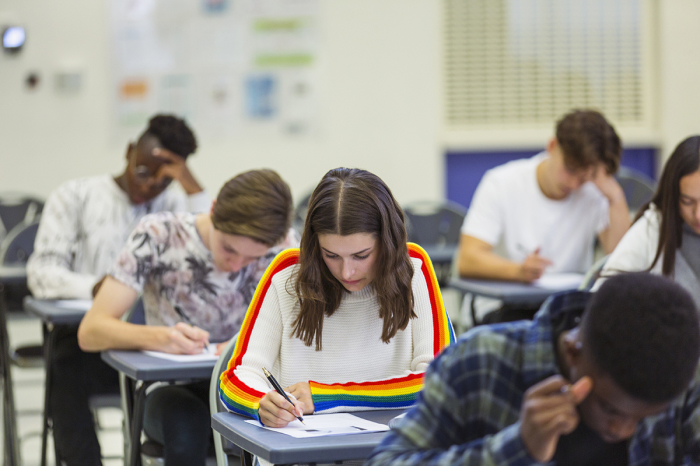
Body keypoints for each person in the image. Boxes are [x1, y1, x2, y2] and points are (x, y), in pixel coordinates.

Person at [77, 169, 298, 466]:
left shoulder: (282, 246)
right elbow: (91, 330)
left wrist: (243, 345)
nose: (235, 265)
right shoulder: (159, 234)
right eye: (229, 248)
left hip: (247, 388)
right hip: (171, 390)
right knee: (186, 423)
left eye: (252, 258)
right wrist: (161, 338)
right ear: (213, 207)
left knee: (282, 425)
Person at [25, 114, 209, 465]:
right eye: (144, 171)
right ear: (128, 152)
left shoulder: (171, 203)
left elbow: (213, 242)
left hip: (155, 339)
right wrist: (101, 288)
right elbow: (42, 273)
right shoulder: (76, 196)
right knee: (63, 375)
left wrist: (187, 181)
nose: (150, 185)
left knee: (186, 399)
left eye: (163, 179)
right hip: (86, 339)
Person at [366, 272, 700, 465]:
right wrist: (518, 446)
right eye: (610, 408)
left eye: (644, 416)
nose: (624, 429)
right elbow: (387, 461)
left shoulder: (678, 376)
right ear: (572, 350)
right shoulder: (481, 361)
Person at [219, 168, 455, 434]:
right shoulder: (285, 274)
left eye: (361, 255)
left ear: (388, 241)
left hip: (394, 451)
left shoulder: (415, 269)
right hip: (303, 455)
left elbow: (440, 381)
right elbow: (236, 378)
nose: (346, 272)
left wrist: (327, 397)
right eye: (331, 255)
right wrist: (260, 403)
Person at [456, 109, 630, 322]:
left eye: (586, 177)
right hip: (504, 308)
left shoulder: (592, 192)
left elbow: (623, 263)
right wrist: (518, 271)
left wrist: (615, 197)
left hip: (566, 309)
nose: (575, 184)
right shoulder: (501, 183)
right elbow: (468, 259)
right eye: (570, 169)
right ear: (552, 146)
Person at [595, 135, 700, 307]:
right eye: (687, 201)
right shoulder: (653, 228)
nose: (697, 215)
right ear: (673, 195)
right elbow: (602, 298)